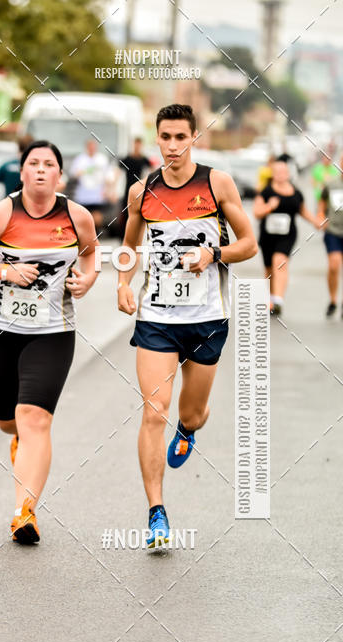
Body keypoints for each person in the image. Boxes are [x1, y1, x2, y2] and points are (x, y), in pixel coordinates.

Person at [117, 103, 258, 550]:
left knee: (190, 412)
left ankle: (191, 427)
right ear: (156, 138)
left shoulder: (217, 183)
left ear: (194, 137)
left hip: (207, 319)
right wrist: (122, 282)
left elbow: (249, 244)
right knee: (152, 411)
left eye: (181, 137)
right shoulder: (142, 191)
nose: (173, 146)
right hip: (157, 319)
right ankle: (156, 512)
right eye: (166, 137)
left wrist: (212, 254)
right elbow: (129, 246)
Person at [0, 140, 98, 544]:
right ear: (22, 172)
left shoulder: (77, 216)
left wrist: (88, 278)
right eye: (34, 163)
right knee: (8, 421)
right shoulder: (2, 213)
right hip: (1, 329)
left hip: (53, 332)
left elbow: (91, 253)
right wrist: (5, 272)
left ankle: (24, 512)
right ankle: (19, 441)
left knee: (35, 417)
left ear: (60, 175)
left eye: (49, 164)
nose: (41, 169)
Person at [253, 160, 318, 316]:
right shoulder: (266, 191)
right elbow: (257, 212)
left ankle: (278, 300)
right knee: (269, 268)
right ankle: (270, 298)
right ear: (273, 174)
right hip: (268, 236)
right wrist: (269, 206)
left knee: (280, 262)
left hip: (287, 235)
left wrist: (316, 222)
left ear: (288, 174)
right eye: (278, 172)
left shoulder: (296, 193)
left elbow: (303, 211)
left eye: (284, 172)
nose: (281, 175)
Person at [317, 153, 343, 317]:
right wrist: (321, 216)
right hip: (333, 231)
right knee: (334, 265)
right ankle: (333, 300)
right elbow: (322, 202)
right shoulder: (331, 184)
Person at [70, 138, 114, 231]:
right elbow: (73, 174)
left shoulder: (102, 159)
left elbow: (109, 177)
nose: (91, 148)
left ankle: (95, 235)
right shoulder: (80, 159)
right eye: (90, 146)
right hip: (83, 196)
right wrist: (81, 172)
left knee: (96, 219)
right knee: (83, 219)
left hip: (98, 196)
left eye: (93, 146)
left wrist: (109, 191)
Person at [119, 138, 152, 236]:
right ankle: (124, 235)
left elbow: (152, 171)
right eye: (135, 144)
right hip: (128, 189)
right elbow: (118, 172)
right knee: (126, 213)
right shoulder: (127, 159)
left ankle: (137, 234)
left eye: (139, 145)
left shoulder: (144, 159)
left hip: (139, 189)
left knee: (139, 213)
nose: (137, 147)